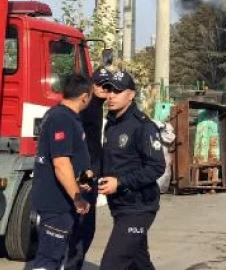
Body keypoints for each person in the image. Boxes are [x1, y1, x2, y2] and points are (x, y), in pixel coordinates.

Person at [98, 70, 166, 270]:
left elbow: (156, 166)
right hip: (119, 205)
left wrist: (120, 183)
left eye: (117, 91)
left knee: (112, 264)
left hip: (139, 207)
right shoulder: (111, 124)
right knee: (138, 262)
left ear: (131, 95)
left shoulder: (143, 126)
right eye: (109, 90)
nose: (111, 95)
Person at [32, 74, 93, 270]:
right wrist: (77, 197)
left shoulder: (65, 116)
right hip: (56, 202)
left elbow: (71, 162)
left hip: (62, 200)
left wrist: (82, 179)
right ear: (85, 96)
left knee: (56, 257)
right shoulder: (61, 118)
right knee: (49, 259)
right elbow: (60, 164)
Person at [64, 68, 109, 270]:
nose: (105, 89)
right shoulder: (86, 107)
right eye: (100, 85)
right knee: (82, 226)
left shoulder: (99, 105)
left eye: (108, 86)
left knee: (87, 227)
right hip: (84, 173)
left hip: (93, 170)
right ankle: (71, 265)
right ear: (91, 85)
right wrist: (83, 174)